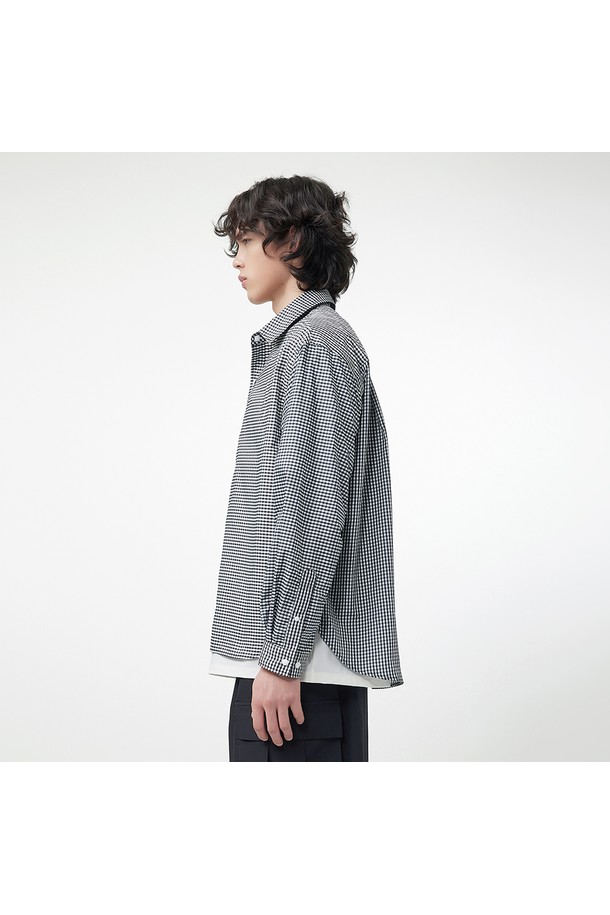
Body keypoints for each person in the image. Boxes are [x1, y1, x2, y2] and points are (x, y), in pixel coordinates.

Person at [208, 174, 403, 762]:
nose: (236, 258)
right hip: (294, 661)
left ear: (291, 240)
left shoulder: (314, 343)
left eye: (247, 240)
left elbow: (315, 507)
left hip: (297, 668)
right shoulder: (298, 343)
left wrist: (282, 657)